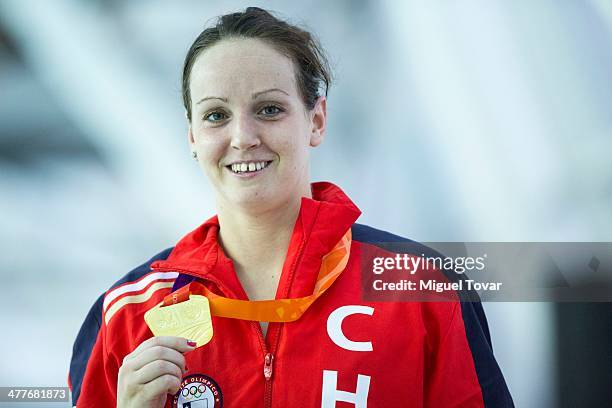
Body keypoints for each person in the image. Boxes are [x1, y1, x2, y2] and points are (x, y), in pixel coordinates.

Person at [69, 7, 514, 408]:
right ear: (192, 136)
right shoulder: (126, 312)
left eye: (268, 109)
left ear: (316, 121)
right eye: (216, 115)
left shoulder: (417, 287)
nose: (242, 136)